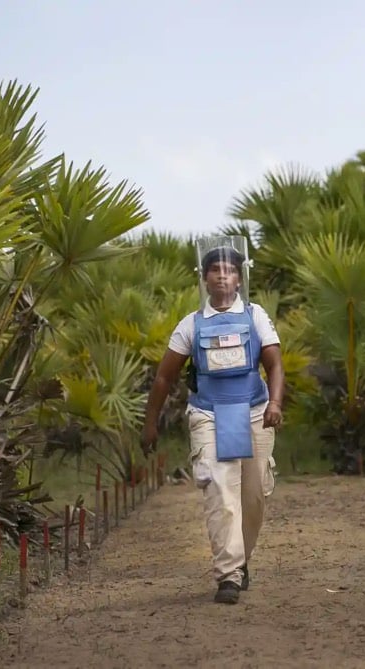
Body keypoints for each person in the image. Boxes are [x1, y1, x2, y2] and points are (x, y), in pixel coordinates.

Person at [141, 240, 285, 605]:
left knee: (253, 498)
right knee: (221, 493)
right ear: (205, 279)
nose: (223, 277)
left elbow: (274, 364)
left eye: (230, 271)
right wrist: (150, 423)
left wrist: (275, 402)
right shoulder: (191, 324)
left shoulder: (255, 316)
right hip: (208, 414)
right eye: (216, 271)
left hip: (253, 411)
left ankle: (241, 559)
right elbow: (163, 378)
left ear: (239, 278)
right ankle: (229, 576)